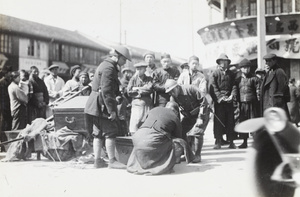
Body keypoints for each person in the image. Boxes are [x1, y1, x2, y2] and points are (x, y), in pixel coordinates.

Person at [84, 45, 131, 169]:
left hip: (96, 104)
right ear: (117, 56)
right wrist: (112, 111)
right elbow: (106, 91)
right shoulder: (109, 68)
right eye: (124, 59)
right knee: (110, 131)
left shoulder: (106, 65)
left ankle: (97, 160)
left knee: (98, 133)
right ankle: (112, 161)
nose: (125, 62)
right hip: (102, 104)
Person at [127, 102, 184, 175]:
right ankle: (163, 165)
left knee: (148, 142)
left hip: (137, 137)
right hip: (152, 140)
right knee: (178, 142)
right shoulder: (175, 116)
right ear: (176, 111)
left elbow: (140, 123)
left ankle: (143, 164)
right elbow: (178, 137)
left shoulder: (154, 109)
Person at [165, 79, 210, 163]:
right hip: (189, 115)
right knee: (181, 131)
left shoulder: (191, 89)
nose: (171, 93)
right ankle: (188, 155)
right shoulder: (173, 97)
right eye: (169, 92)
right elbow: (173, 109)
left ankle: (197, 155)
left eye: (172, 91)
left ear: (177, 87)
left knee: (197, 132)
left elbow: (204, 102)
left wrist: (200, 117)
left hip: (202, 112)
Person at [209, 53, 237, 149]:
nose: (224, 63)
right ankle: (218, 141)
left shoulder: (231, 74)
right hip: (219, 102)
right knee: (218, 121)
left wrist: (232, 96)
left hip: (229, 100)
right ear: (219, 63)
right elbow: (213, 87)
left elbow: (234, 85)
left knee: (230, 121)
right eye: (222, 61)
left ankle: (231, 142)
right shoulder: (215, 73)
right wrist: (220, 97)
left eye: (225, 61)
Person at [236, 58, 259, 148]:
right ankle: (244, 142)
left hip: (252, 103)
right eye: (244, 67)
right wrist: (236, 100)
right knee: (244, 122)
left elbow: (258, 90)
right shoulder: (238, 80)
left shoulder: (254, 78)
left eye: (248, 67)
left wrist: (258, 100)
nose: (246, 69)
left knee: (253, 122)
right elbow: (235, 90)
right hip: (242, 104)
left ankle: (256, 143)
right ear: (241, 69)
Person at [127, 62, 153, 135]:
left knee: (146, 122)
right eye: (137, 69)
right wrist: (141, 89)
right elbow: (129, 91)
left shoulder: (149, 79)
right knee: (135, 122)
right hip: (136, 104)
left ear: (144, 70)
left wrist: (136, 89)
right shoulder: (133, 79)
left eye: (140, 69)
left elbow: (149, 89)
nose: (138, 71)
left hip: (147, 103)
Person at [260, 54, 290, 118]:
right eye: (266, 61)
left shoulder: (279, 71)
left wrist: (276, 100)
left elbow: (283, 87)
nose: (266, 63)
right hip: (268, 103)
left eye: (268, 61)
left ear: (274, 61)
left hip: (276, 103)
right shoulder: (268, 72)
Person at [0, 64, 12, 151]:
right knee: (3, 125)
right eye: (9, 72)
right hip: (3, 107)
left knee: (8, 125)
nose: (10, 74)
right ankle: (3, 144)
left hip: (8, 106)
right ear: (5, 73)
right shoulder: (2, 83)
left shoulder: (10, 82)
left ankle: (6, 145)